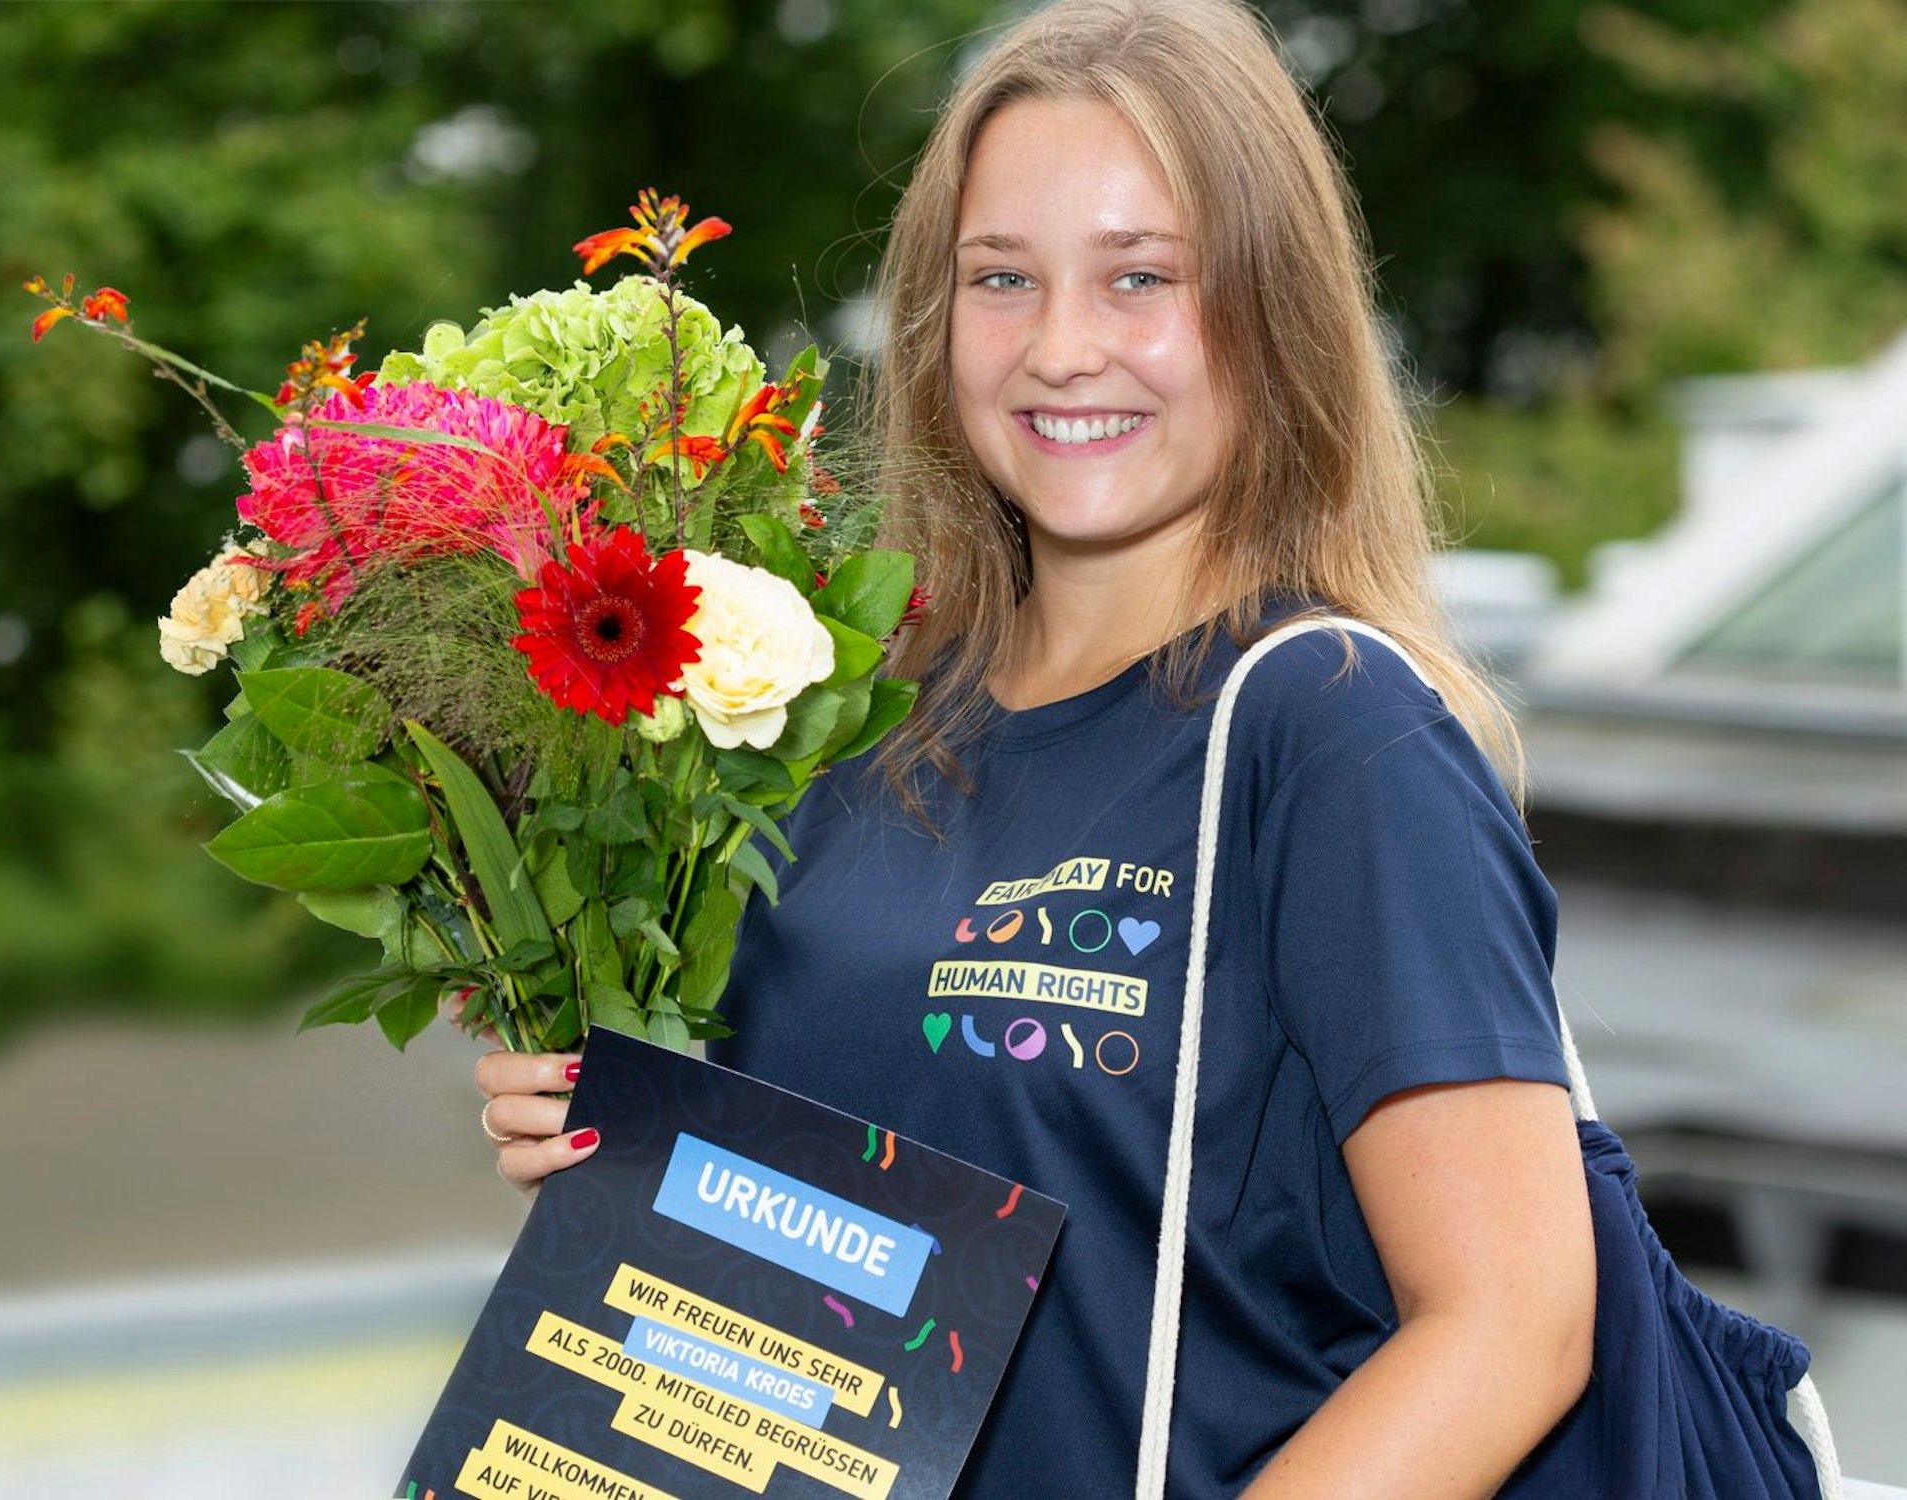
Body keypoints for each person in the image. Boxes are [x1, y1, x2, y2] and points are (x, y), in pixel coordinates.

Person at [474, 0, 1597, 1493]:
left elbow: (1512, 1327)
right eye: (1002, 278)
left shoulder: (1331, 732)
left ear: (1276, 314)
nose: (1063, 349)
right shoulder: (851, 717)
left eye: (1142, 278)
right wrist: (618, 1153)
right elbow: (831, 1280)